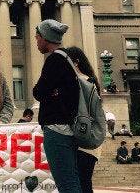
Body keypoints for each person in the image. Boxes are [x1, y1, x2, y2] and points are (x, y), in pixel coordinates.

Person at [32, 19, 81, 192]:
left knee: (66, 183)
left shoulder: (54, 60)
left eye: (37, 37)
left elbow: (38, 91)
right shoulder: (67, 58)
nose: (36, 41)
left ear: (45, 38)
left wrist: (48, 92)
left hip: (56, 128)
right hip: (68, 127)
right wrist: (52, 91)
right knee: (72, 180)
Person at [66, 46, 102, 193]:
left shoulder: (83, 82)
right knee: (83, 181)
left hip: (84, 138)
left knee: (82, 182)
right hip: (89, 138)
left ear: (76, 62)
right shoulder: (89, 81)